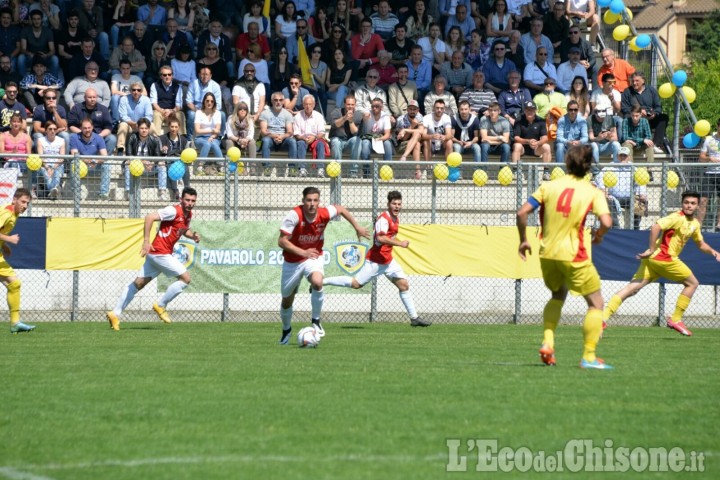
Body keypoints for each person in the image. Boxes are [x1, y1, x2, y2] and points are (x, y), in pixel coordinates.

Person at [516, 144, 613, 369]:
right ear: (589, 167)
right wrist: (598, 235)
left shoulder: (548, 186)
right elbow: (607, 222)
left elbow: (522, 212)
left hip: (547, 253)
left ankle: (548, 343)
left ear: (567, 163)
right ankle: (589, 357)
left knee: (558, 295)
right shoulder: (592, 191)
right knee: (596, 303)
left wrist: (523, 239)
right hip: (574, 255)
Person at [603, 191, 720, 337]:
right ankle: (675, 319)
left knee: (632, 288)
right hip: (664, 259)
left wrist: (714, 252)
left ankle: (602, 318)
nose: (689, 206)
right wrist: (652, 248)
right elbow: (655, 227)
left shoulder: (694, 224)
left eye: (692, 203)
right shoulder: (676, 217)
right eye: (686, 202)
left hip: (653, 260)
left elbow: (701, 244)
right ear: (681, 203)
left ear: (697, 206)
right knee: (692, 283)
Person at [277, 186, 370, 344]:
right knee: (287, 300)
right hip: (293, 260)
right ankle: (286, 330)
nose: (312, 204)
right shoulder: (295, 215)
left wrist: (357, 227)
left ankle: (316, 321)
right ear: (303, 201)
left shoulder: (324, 213)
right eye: (309, 200)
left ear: (319, 202)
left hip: (314, 256)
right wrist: (302, 252)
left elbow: (340, 209)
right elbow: (281, 241)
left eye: (315, 200)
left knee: (318, 282)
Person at [324, 191, 431, 327]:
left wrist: (397, 242)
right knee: (356, 284)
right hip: (375, 261)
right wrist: (400, 243)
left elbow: (390, 238)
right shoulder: (384, 219)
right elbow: (380, 238)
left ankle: (414, 318)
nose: (397, 207)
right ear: (388, 204)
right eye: (394, 204)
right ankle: (323, 281)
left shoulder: (395, 219)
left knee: (404, 285)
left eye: (399, 204)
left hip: (388, 261)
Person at [106, 187, 201, 331]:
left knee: (138, 284)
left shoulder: (188, 214)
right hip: (160, 252)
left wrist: (192, 235)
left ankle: (115, 313)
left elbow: (182, 229)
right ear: (181, 199)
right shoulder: (173, 210)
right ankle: (161, 305)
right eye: (187, 200)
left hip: (157, 254)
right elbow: (149, 217)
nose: (190, 203)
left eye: (193, 201)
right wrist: (146, 241)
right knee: (186, 279)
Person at [0, 188, 34, 333]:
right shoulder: (6, 213)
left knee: (14, 284)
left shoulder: (14, 214)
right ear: (14, 200)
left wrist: (4, 245)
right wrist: (9, 239)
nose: (25, 206)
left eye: (27, 203)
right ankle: (15, 323)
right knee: (14, 283)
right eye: (23, 202)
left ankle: (15, 323)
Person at [596, 147, 646, 230]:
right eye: (621, 155)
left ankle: (635, 228)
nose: (623, 157)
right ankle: (616, 228)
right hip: (613, 197)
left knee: (640, 201)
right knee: (607, 201)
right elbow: (599, 177)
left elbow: (640, 183)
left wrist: (642, 193)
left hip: (630, 198)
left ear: (629, 157)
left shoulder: (634, 168)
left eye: (625, 155)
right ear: (617, 156)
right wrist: (603, 189)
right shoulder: (610, 166)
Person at [620, 72, 668, 154]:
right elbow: (624, 108)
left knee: (663, 117)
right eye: (633, 81)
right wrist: (638, 112)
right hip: (634, 120)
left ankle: (656, 144)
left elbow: (658, 106)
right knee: (628, 117)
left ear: (643, 81)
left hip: (650, 119)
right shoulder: (627, 92)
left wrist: (654, 114)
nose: (634, 83)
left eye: (637, 81)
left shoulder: (651, 90)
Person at [124, 117, 167, 199]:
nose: (144, 130)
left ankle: (162, 192)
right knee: (127, 163)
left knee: (162, 164)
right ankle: (128, 192)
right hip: (135, 167)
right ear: (138, 128)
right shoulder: (132, 138)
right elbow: (129, 155)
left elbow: (157, 156)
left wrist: (152, 163)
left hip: (150, 167)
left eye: (146, 128)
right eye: (142, 128)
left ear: (149, 129)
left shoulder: (154, 139)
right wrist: (143, 161)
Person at [67, 88, 117, 156]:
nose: (92, 99)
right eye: (90, 97)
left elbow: (108, 127)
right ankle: (74, 161)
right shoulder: (76, 108)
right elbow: (71, 125)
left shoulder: (103, 109)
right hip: (81, 135)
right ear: (84, 98)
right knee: (70, 136)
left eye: (94, 97)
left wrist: (98, 137)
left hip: (99, 136)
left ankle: (103, 162)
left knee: (112, 139)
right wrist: (83, 134)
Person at [69, 117, 111, 199]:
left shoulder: (98, 138)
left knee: (107, 164)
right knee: (73, 163)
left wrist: (95, 161)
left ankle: (103, 193)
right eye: (85, 128)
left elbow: (104, 156)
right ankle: (77, 193)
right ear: (80, 128)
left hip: (94, 165)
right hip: (81, 165)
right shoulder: (74, 137)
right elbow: (74, 154)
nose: (87, 130)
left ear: (92, 127)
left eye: (89, 128)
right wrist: (86, 161)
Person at [260, 92, 297, 177]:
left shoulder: (287, 114)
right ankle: (267, 168)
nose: (278, 102)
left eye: (280, 100)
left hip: (283, 140)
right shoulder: (265, 113)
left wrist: (282, 136)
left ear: (283, 101)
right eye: (276, 100)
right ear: (272, 101)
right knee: (265, 140)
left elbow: (290, 131)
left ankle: (292, 169)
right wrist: (274, 136)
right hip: (270, 140)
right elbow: (263, 131)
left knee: (292, 141)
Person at [293, 95, 328, 177]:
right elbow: (297, 134)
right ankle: (302, 169)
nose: (308, 106)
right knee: (300, 143)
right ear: (303, 104)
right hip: (302, 139)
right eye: (306, 104)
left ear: (314, 105)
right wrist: (303, 138)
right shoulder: (298, 117)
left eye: (310, 104)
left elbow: (321, 132)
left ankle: (320, 169)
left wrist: (314, 137)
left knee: (320, 144)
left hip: (315, 139)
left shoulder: (318, 116)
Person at [0, 113, 34, 195]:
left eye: (18, 122)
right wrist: (12, 153)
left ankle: (32, 189)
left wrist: (23, 158)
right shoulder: (3, 136)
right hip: (8, 162)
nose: (16, 124)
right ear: (10, 123)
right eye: (14, 121)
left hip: (22, 162)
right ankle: (13, 191)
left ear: (21, 123)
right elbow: (1, 153)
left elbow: (28, 154)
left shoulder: (26, 137)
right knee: (13, 162)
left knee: (36, 167)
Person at [329, 95, 363, 175]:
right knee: (336, 142)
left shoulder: (358, 115)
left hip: (349, 143)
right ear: (344, 104)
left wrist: (351, 121)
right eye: (348, 104)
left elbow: (355, 133)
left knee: (357, 140)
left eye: (352, 104)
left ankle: (353, 172)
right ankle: (337, 172)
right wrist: (344, 118)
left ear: (355, 105)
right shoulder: (336, 112)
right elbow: (334, 125)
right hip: (337, 141)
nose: (350, 106)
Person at [159, 116, 190, 200]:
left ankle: (187, 188)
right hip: (169, 161)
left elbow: (187, 153)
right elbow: (159, 152)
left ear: (179, 127)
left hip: (181, 161)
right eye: (172, 126)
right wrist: (162, 150)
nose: (174, 129)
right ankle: (175, 191)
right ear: (169, 127)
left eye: (176, 127)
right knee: (173, 168)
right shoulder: (162, 138)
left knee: (186, 168)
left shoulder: (183, 139)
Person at [117, 81, 153, 155]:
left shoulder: (146, 100)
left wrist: (141, 124)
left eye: (138, 90)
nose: (136, 92)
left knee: (152, 126)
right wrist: (132, 123)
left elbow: (149, 116)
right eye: (134, 90)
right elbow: (122, 115)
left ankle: (156, 147)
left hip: (142, 125)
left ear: (141, 91)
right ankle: (121, 150)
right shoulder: (124, 99)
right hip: (129, 125)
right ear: (130, 91)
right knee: (122, 125)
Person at [150, 65, 186, 136]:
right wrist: (163, 111)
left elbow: (179, 105)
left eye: (169, 74)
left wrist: (171, 111)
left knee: (180, 114)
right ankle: (156, 138)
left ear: (172, 76)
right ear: (161, 76)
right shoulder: (155, 85)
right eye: (164, 75)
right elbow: (154, 103)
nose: (167, 77)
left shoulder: (177, 87)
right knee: (156, 115)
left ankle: (182, 138)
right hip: (159, 110)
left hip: (172, 111)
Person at [697, 118, 720, 231]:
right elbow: (701, 157)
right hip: (710, 173)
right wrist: (709, 158)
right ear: (718, 126)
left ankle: (719, 225)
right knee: (703, 200)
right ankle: (698, 225)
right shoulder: (709, 139)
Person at [194, 92, 223, 171]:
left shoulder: (217, 113)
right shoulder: (198, 113)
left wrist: (212, 136)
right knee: (207, 143)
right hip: (200, 138)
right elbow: (197, 130)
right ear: (204, 101)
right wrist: (211, 130)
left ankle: (221, 166)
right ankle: (200, 166)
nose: (209, 103)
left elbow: (218, 130)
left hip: (214, 138)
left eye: (212, 101)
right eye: (207, 101)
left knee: (213, 143)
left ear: (214, 103)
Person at [223, 102, 257, 170]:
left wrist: (245, 140)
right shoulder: (231, 118)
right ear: (236, 110)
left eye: (245, 109)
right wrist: (239, 140)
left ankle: (252, 167)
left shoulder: (250, 119)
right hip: (233, 140)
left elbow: (251, 135)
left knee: (252, 142)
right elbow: (229, 134)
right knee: (229, 142)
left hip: (245, 141)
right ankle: (231, 166)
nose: (242, 110)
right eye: (240, 108)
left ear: (247, 110)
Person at [37, 119, 65, 200]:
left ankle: (52, 192)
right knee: (47, 175)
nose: (52, 131)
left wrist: (53, 168)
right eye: (50, 129)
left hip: (58, 164)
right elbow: (41, 156)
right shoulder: (41, 140)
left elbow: (61, 158)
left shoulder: (61, 140)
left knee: (56, 174)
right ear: (46, 130)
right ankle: (54, 190)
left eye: (54, 129)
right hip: (45, 165)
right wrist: (48, 167)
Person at [110, 59, 145, 125]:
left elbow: (144, 93)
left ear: (130, 68)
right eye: (123, 68)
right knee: (114, 98)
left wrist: (133, 95)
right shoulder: (115, 77)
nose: (125, 71)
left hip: (133, 99)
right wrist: (126, 95)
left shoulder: (136, 78)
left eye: (127, 68)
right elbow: (113, 91)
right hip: (120, 100)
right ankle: (116, 123)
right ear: (120, 69)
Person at [361, 97, 393, 164]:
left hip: (381, 138)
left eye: (377, 106)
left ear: (382, 107)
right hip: (368, 138)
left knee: (387, 144)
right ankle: (366, 172)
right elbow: (364, 116)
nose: (374, 108)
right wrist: (364, 118)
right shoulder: (368, 113)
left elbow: (387, 134)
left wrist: (379, 139)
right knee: (365, 143)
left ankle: (387, 169)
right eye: (372, 106)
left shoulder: (385, 116)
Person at [555, 100, 588, 164]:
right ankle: (559, 169)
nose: (573, 112)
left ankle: (586, 171)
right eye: (571, 110)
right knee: (560, 145)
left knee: (587, 145)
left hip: (577, 146)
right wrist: (567, 142)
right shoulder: (561, 120)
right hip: (565, 146)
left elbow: (585, 137)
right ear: (567, 110)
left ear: (578, 110)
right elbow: (559, 137)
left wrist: (579, 142)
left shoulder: (582, 121)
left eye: (575, 110)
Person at [422, 98, 453, 165]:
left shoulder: (447, 117)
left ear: (444, 109)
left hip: (442, 143)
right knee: (426, 141)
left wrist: (444, 137)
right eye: (437, 108)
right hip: (431, 144)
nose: (439, 110)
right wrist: (432, 136)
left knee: (449, 142)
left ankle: (450, 167)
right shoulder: (426, 118)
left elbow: (449, 135)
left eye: (442, 108)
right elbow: (423, 135)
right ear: (433, 108)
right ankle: (428, 168)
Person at [395, 99, 425, 164]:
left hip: (416, 142)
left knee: (417, 137)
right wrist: (412, 126)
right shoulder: (401, 119)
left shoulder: (420, 117)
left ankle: (404, 156)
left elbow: (421, 131)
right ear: (407, 109)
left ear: (417, 110)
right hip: (403, 144)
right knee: (417, 142)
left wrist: (405, 130)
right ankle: (418, 171)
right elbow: (403, 138)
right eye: (410, 109)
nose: (412, 111)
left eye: (414, 109)